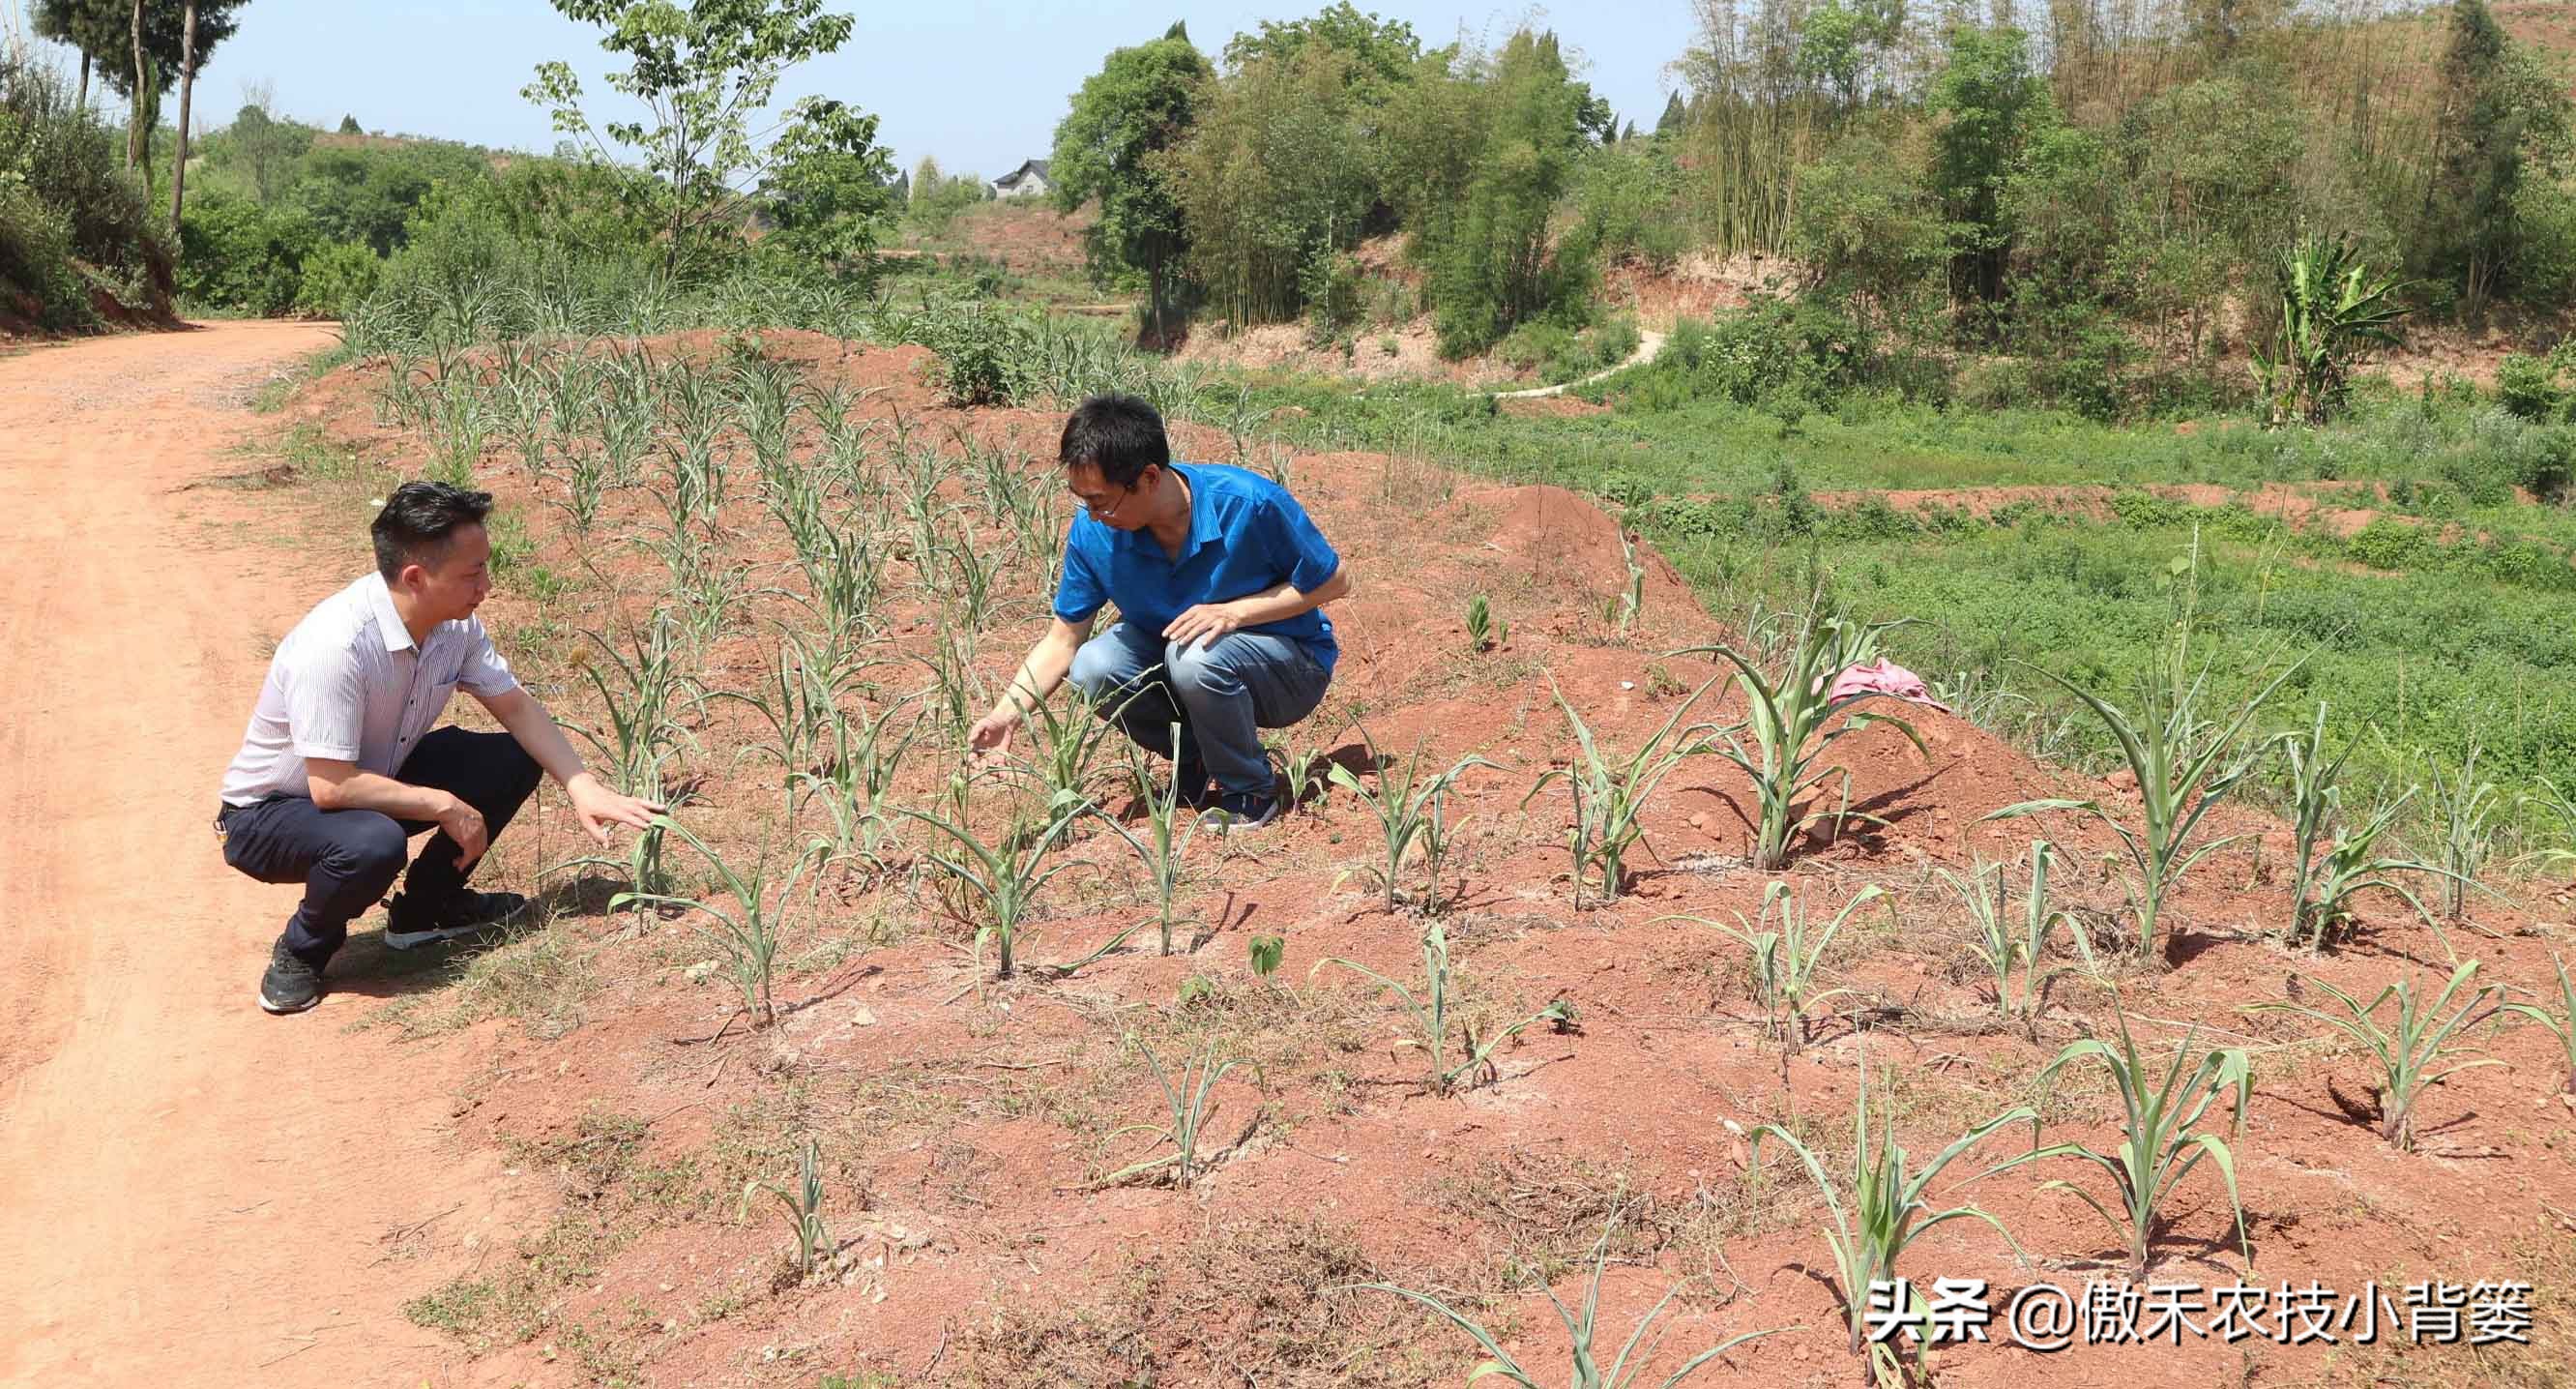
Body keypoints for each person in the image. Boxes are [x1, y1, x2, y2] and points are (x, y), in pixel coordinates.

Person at [216, 482, 663, 1015]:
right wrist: (443, 805)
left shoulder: (455, 628)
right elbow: (331, 787)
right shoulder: (336, 646)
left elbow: (516, 708)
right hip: (271, 815)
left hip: (373, 777)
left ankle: (426, 911)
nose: (487, 585)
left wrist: (582, 785)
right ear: (415, 578)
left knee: (512, 757)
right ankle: (303, 948)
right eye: (472, 573)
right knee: (373, 842)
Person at [968, 394, 1352, 831]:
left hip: (1289, 667)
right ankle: (1195, 755)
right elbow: (1064, 639)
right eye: (1084, 502)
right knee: (1093, 666)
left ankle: (1249, 789)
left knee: (1195, 654)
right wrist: (1006, 715)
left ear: (1149, 477)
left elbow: (1335, 580)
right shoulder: (1097, 533)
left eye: (1102, 502)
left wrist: (1234, 613)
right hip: (1184, 661)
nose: (1093, 516)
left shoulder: (1247, 503)